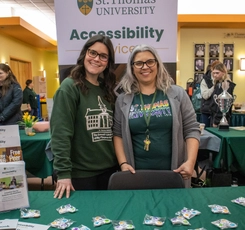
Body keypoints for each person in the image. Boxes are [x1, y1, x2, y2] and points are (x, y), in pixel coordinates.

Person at [113, 44, 200, 188]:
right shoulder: (123, 99)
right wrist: (123, 164)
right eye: (139, 63)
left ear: (158, 64)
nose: (145, 67)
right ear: (132, 68)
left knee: (172, 209)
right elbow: (117, 134)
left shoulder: (177, 94)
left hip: (173, 172)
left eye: (150, 62)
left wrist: (190, 162)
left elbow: (192, 129)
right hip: (135, 174)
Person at [50, 34, 118, 199]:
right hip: (80, 175)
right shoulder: (69, 87)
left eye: (103, 56)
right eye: (92, 53)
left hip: (109, 171)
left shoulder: (107, 89)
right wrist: (63, 173)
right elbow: (60, 133)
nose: (96, 59)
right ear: (84, 54)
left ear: (108, 62)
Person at [209, 62, 236, 127]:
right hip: (214, 116)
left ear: (223, 72)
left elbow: (223, 105)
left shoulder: (227, 85)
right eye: (214, 73)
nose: (215, 75)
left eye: (217, 73)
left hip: (221, 119)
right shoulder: (218, 84)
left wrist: (216, 121)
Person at [200, 61, 221, 127]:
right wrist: (214, 87)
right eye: (215, 72)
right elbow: (205, 96)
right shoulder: (205, 80)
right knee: (206, 133)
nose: (216, 74)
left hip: (218, 112)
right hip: (207, 111)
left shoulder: (223, 80)